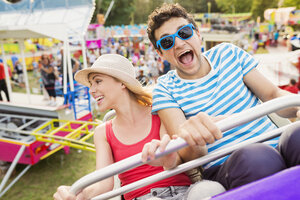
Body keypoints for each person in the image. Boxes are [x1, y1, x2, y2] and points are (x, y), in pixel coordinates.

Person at [146, 3, 300, 191]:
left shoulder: (228, 53)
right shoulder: (165, 89)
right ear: (160, 53)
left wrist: (297, 106)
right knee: (257, 158)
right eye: (167, 42)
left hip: (275, 141)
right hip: (230, 162)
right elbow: (189, 155)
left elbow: (273, 94)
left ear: (197, 34)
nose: (178, 43)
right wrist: (196, 138)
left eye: (184, 32)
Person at [53, 54, 193, 200]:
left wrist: (167, 159)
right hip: (142, 197)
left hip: (181, 191)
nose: (91, 90)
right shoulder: (103, 133)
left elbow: (173, 162)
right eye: (90, 84)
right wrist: (77, 194)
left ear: (122, 83)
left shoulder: (159, 110)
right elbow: (103, 184)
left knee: (208, 189)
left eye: (98, 81)